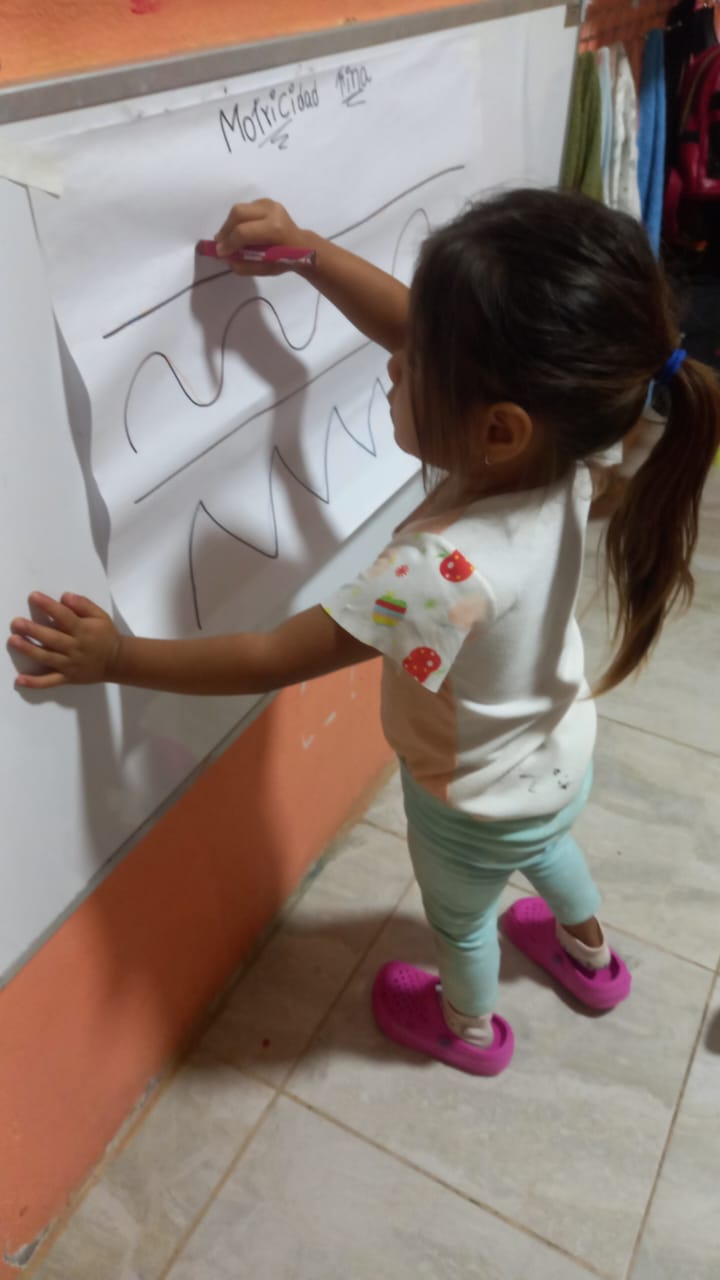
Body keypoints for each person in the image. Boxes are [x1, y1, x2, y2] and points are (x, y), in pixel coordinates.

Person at [8, 190, 720, 1076]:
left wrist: (118, 655)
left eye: (415, 362)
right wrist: (310, 252)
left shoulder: (441, 575)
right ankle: (591, 956)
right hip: (558, 752)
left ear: (498, 427)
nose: (391, 362)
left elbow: (271, 656)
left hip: (470, 802)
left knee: (462, 919)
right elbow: (417, 328)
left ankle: (467, 1030)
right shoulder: (579, 443)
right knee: (550, 848)